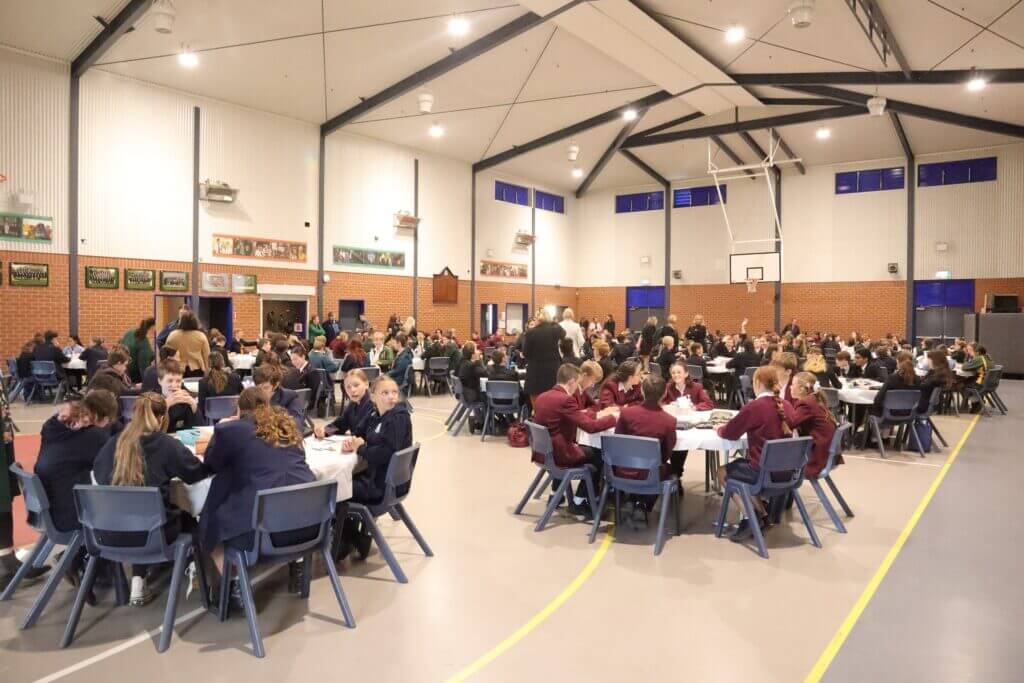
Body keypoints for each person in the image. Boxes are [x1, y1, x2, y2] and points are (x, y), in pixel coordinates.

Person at [93, 393, 208, 605]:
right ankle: (194, 566)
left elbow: (99, 477)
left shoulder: (114, 443)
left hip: (110, 532)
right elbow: (195, 473)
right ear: (163, 417)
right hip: (154, 536)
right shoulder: (165, 445)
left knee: (138, 513)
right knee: (188, 517)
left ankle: (138, 580)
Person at [199, 389, 314, 592]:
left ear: (239, 410)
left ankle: (235, 587)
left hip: (264, 533)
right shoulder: (287, 427)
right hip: (310, 526)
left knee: (210, 525)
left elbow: (211, 464)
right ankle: (297, 564)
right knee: (284, 497)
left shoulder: (230, 430)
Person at [336, 376, 413, 560]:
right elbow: (359, 432)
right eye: (385, 393)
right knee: (344, 482)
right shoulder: (375, 414)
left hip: (383, 486)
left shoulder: (398, 418)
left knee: (336, 489)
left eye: (394, 392)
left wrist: (361, 448)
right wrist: (354, 441)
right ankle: (354, 538)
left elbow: (386, 452)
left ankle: (346, 541)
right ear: (373, 397)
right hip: (378, 478)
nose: (391, 397)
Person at [716, 366, 793, 541]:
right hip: (789, 473)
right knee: (744, 468)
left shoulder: (755, 407)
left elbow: (730, 433)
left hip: (764, 474)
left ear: (757, 382)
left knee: (723, 472)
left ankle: (750, 517)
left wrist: (719, 428)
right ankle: (763, 516)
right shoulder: (787, 405)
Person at [532, 364, 619, 518]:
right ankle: (580, 502)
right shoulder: (565, 399)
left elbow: (577, 416)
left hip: (543, 453)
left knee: (588, 450)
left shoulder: (542, 396)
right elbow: (591, 427)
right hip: (560, 455)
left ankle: (561, 494)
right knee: (600, 455)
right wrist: (614, 418)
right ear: (572, 381)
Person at [34, 391, 119, 539]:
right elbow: (112, 466)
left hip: (46, 508)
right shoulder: (95, 437)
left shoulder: (52, 426)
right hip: (72, 514)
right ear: (105, 419)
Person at [614, 375, 677, 490]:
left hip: (622, 469)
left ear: (642, 391)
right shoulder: (669, 421)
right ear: (665, 393)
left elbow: (617, 442)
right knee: (673, 469)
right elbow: (666, 454)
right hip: (652, 473)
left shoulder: (626, 413)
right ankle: (645, 501)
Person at [786, 372, 839, 479]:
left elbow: (790, 424)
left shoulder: (806, 403)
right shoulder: (814, 399)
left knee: (775, 458)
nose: (790, 387)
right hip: (827, 454)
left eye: (792, 384)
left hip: (816, 458)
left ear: (801, 389)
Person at [522, 310, 566, 404]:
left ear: (538, 320)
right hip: (552, 373)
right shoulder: (555, 331)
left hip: (535, 374)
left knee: (537, 405)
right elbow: (563, 333)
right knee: (552, 404)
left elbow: (525, 353)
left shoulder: (531, 333)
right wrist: (553, 322)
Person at [315, 370, 374, 439]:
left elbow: (369, 434)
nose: (352, 390)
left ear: (366, 384)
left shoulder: (374, 404)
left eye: (356, 385)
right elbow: (340, 425)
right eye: (348, 387)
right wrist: (324, 431)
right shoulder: (353, 404)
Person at [253, 363, 305, 431]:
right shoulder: (251, 396)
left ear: (276, 385)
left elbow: (297, 423)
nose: (261, 391)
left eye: (265, 387)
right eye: (258, 388)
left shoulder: (290, 397)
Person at [157, 359, 199, 433]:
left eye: (178, 381)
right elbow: (151, 432)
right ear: (160, 381)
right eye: (170, 381)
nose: (174, 385)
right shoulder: (151, 402)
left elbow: (199, 430)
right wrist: (165, 406)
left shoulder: (185, 401)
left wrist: (194, 406)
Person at [198, 353, 243, 421]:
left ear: (208, 365)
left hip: (212, 419)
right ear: (223, 363)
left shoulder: (203, 382)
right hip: (233, 417)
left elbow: (201, 406)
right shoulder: (235, 378)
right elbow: (243, 397)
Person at [166, 311, 210, 377]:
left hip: (176, 368)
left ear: (181, 322)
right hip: (197, 369)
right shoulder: (201, 336)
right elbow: (207, 356)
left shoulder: (172, 335)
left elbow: (166, 352)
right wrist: (207, 372)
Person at [120, 318, 156, 384]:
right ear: (153, 327)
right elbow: (144, 364)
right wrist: (147, 382)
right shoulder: (143, 341)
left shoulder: (130, 333)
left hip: (123, 372)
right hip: (135, 376)